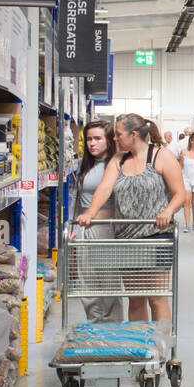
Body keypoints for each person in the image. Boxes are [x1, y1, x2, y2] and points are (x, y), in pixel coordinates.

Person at [76, 114, 187, 326]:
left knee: (156, 297)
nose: (115, 140)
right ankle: (139, 346)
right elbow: (105, 188)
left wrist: (168, 211)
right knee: (135, 297)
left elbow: (180, 193)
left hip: (156, 235)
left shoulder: (161, 156)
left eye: (118, 135)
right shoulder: (119, 160)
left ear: (133, 135)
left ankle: (160, 348)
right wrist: (90, 212)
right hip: (126, 237)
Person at [74, 120, 124, 323]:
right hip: (84, 229)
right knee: (88, 284)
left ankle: (112, 330)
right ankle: (94, 327)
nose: (92, 143)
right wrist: (74, 225)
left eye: (97, 139)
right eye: (88, 139)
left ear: (109, 140)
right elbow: (78, 198)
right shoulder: (84, 165)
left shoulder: (117, 165)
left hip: (105, 230)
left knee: (109, 282)